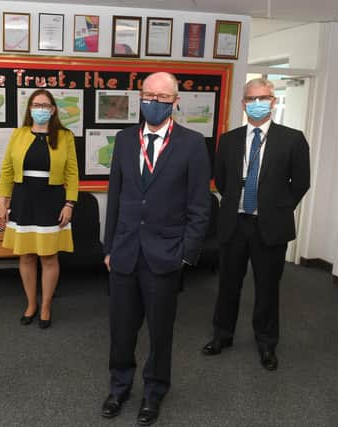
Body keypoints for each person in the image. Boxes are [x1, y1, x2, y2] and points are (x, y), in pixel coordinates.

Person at [101, 72, 211, 426]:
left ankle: (154, 391)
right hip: (124, 253)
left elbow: (199, 206)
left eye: (163, 96)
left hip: (165, 255)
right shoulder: (123, 140)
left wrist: (185, 253)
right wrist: (109, 247)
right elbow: (115, 197)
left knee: (160, 331)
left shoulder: (193, 144)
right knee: (121, 328)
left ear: (176, 101)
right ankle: (119, 387)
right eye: (148, 95)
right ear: (140, 98)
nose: (155, 101)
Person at [202, 77, 310, 371]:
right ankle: (222, 336)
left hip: (270, 226)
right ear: (243, 104)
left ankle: (266, 344)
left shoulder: (293, 139)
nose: (258, 103)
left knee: (267, 288)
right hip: (234, 223)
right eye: (252, 98)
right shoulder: (230, 139)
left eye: (264, 97)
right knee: (228, 285)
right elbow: (221, 180)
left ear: (273, 102)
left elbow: (301, 182)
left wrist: (277, 206)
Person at [0, 89, 78, 329]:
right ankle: (31, 303)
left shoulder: (65, 136)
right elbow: (7, 170)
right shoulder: (18, 134)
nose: (40, 109)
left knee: (49, 256)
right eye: (36, 104)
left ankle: (46, 306)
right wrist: (2, 201)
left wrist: (69, 203)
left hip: (52, 199)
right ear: (29, 108)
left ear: (53, 110)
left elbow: (72, 173)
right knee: (27, 256)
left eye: (45, 105)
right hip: (23, 199)